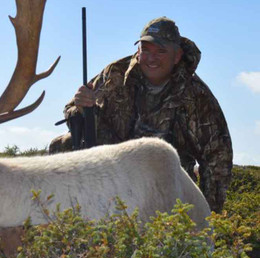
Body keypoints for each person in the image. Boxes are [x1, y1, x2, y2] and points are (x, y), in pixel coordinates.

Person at [49, 17, 232, 213]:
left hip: (162, 182)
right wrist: (81, 107)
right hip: (110, 168)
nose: (151, 59)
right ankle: (62, 223)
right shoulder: (114, 73)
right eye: (146, 50)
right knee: (62, 145)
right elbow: (72, 112)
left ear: (177, 56)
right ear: (138, 50)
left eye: (161, 51)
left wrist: (207, 218)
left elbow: (217, 158)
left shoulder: (196, 95)